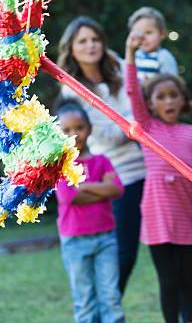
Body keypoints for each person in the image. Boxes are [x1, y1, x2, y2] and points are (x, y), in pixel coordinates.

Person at [125, 30, 192, 323]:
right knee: (167, 283)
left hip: (186, 213)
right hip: (156, 214)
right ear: (150, 104)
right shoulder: (146, 128)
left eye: (173, 96)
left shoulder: (191, 132)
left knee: (187, 282)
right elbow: (131, 92)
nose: (168, 102)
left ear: (182, 100)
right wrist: (130, 53)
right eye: (161, 97)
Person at [58, 16, 146, 296]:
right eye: (82, 41)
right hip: (116, 171)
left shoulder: (118, 67)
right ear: (70, 48)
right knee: (123, 253)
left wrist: (134, 122)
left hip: (147, 166)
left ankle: (107, 307)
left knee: (137, 251)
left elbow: (144, 98)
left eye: (95, 39)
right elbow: (104, 135)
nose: (91, 45)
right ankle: (103, 309)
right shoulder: (72, 87)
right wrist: (137, 123)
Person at [55, 100, 125, 323]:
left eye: (79, 128)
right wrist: (100, 189)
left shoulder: (102, 161)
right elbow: (68, 197)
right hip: (75, 241)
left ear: (90, 128)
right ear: (57, 133)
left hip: (106, 238)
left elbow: (117, 189)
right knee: (84, 299)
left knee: (111, 297)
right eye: (66, 130)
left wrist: (83, 186)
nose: (74, 135)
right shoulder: (59, 166)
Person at [127, 6, 178, 82]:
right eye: (138, 33)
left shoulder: (164, 57)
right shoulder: (134, 56)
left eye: (148, 32)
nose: (142, 37)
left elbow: (171, 84)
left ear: (162, 33)